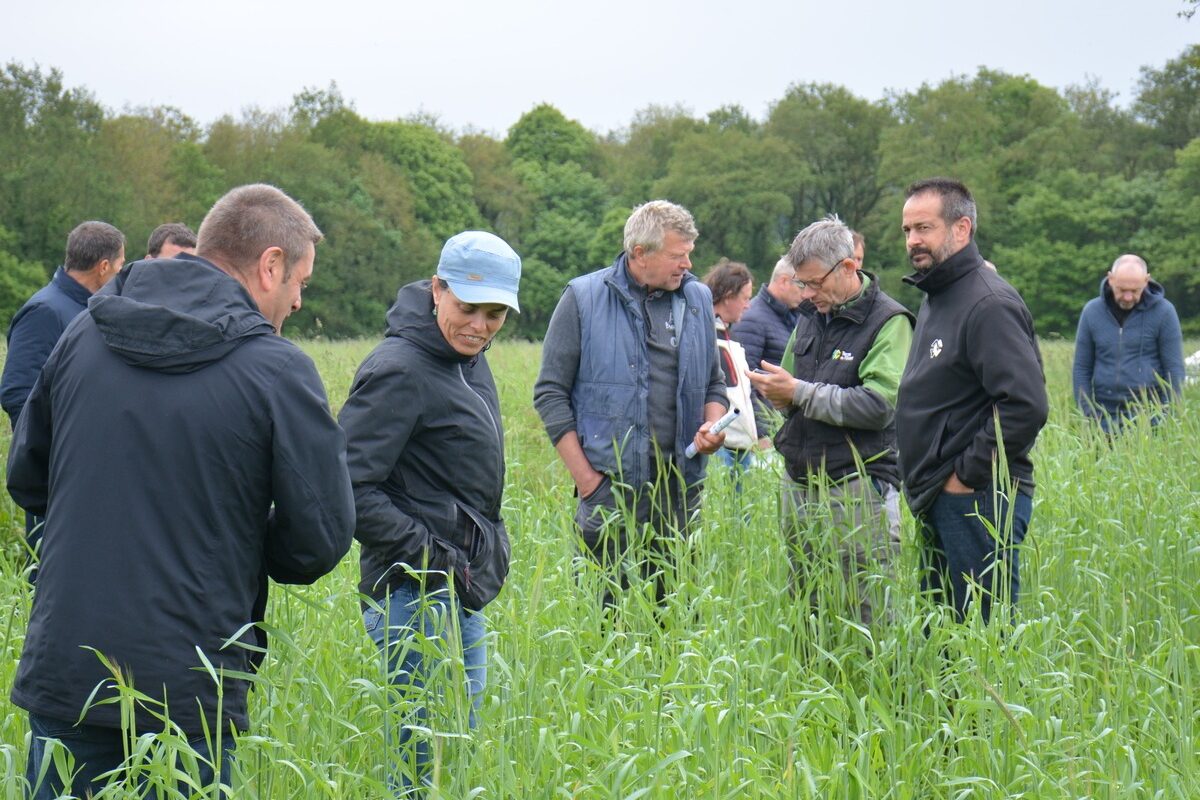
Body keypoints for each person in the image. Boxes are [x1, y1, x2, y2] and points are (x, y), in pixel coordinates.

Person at [6, 184, 355, 798]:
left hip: (68, 671)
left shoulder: (81, 334)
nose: (300, 300)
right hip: (188, 689)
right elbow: (318, 540)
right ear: (270, 264)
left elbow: (27, 477)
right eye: (301, 280)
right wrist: (239, 540)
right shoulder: (277, 369)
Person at [338, 231, 521, 794]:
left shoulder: (467, 358)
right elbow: (347, 486)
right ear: (437, 289)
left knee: (455, 752)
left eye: (496, 314)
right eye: (469, 308)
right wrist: (434, 554)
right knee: (423, 764)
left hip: (456, 587)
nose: (481, 325)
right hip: (410, 594)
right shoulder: (400, 369)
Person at [533, 200, 727, 608]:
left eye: (689, 253)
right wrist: (588, 482)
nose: (688, 264)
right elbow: (550, 393)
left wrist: (713, 426)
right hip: (609, 493)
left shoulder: (698, 300)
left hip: (679, 493)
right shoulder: (582, 298)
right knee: (602, 619)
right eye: (678, 255)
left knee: (675, 619)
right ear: (640, 253)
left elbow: (714, 383)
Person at [895, 178, 1048, 624]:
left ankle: (993, 700)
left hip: (978, 499)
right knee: (945, 640)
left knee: (984, 637)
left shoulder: (987, 302)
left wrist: (966, 474)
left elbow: (1025, 404)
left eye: (924, 228)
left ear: (962, 229)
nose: (913, 241)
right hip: (938, 497)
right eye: (907, 230)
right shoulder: (938, 296)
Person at [749, 216, 913, 626]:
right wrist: (774, 393)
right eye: (801, 284)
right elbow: (789, 383)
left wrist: (798, 393)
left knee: (869, 607)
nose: (807, 293)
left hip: (857, 486)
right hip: (800, 482)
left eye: (815, 283)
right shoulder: (809, 316)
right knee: (806, 603)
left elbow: (879, 405)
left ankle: (879, 687)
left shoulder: (890, 322)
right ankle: (810, 685)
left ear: (848, 267)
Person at [0, 220, 125, 568]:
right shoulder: (46, 311)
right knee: (49, 571)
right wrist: (59, 443)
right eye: (119, 266)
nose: (120, 273)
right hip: (55, 471)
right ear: (102, 267)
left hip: (85, 469)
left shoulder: (89, 310)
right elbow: (16, 391)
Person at [1072, 254, 1184, 431]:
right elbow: (1081, 368)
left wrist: (1165, 416)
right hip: (1102, 417)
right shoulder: (1091, 312)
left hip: (1149, 417)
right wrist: (1088, 413)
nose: (1128, 297)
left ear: (1146, 281)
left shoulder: (1164, 312)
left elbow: (1174, 371)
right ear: (1110, 279)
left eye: (1135, 290)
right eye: (1122, 289)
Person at [730, 257, 805, 448]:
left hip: (787, 426)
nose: (806, 293)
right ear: (784, 281)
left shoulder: (797, 315)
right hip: (766, 432)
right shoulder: (752, 319)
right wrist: (762, 432)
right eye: (801, 285)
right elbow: (746, 381)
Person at [702, 259, 758, 476]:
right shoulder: (704, 337)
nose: (748, 305)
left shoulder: (730, 340)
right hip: (720, 448)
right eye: (744, 298)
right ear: (727, 296)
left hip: (740, 447)